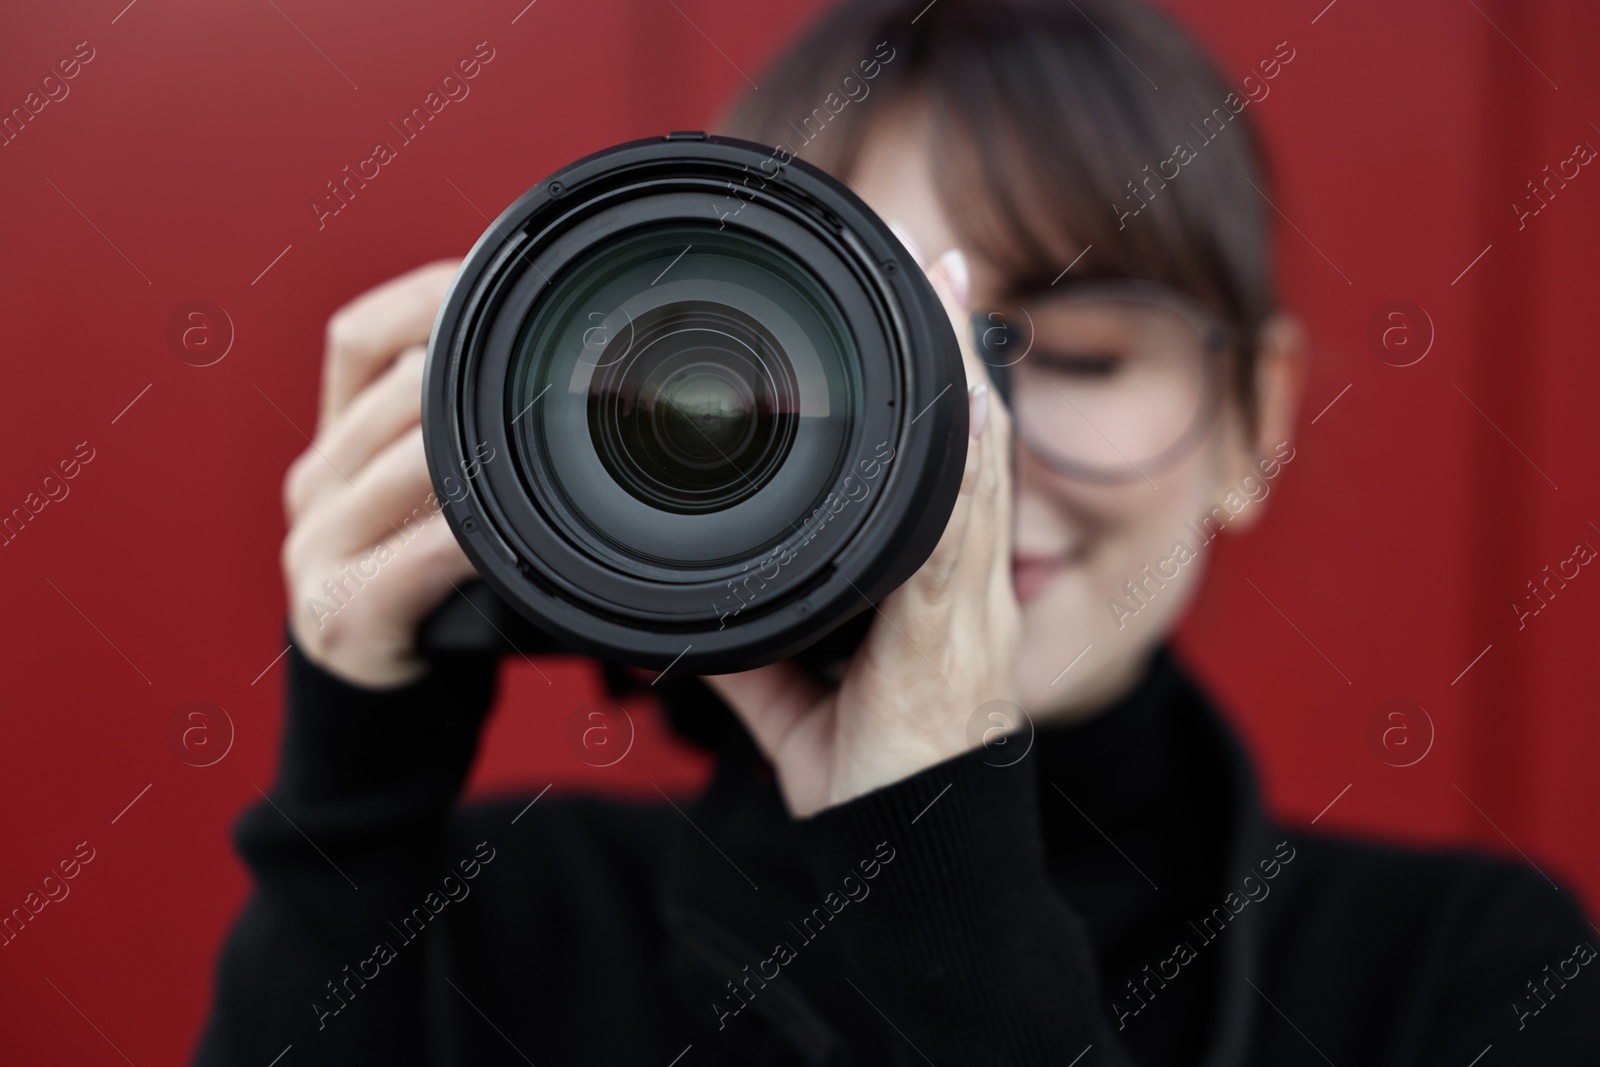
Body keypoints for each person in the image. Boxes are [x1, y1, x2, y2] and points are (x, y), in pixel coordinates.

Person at [196, 0, 1599, 1063]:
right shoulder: (493, 931)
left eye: (1089, 353)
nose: (973, 443)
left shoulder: (1464, 982)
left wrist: (947, 899)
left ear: (1251, 418)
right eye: (888, 358)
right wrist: (351, 818)